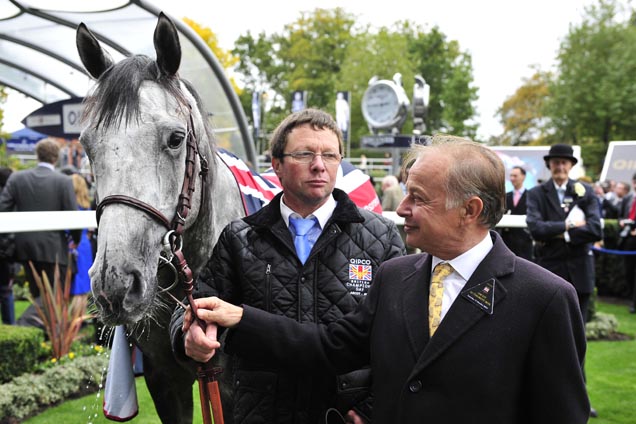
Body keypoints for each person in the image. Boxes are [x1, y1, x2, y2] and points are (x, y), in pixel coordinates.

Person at [183, 136, 590, 423]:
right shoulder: (396, 277)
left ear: (470, 209)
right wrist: (241, 317)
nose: (403, 208)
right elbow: (328, 347)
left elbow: (560, 414)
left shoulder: (544, 298)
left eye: (419, 198)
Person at [170, 108, 406, 423]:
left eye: (330, 155)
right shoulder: (241, 238)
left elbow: (402, 337)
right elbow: (195, 304)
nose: (319, 165)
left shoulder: (381, 236)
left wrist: (370, 410)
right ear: (277, 165)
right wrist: (187, 336)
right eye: (305, 154)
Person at [0, 138, 81, 299]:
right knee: (55, 298)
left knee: (37, 295)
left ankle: (37, 323)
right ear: (56, 157)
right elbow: (73, 216)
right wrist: (75, 240)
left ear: (37, 155)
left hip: (25, 246)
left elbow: (3, 208)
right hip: (55, 247)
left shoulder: (17, 178)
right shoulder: (63, 181)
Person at [499, 166, 533, 260]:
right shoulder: (505, 196)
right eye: (511, 176)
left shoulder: (531, 196)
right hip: (507, 243)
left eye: (515, 176)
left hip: (524, 243)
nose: (512, 178)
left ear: (523, 177)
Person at [70, 173, 93, 298]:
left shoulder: (72, 207)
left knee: (75, 285)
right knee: (83, 286)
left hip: (73, 244)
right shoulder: (86, 205)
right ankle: (80, 315)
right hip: (85, 244)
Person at [618, 172, 636, 313]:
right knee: (628, 271)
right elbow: (620, 216)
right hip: (628, 240)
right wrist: (622, 223)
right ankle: (631, 297)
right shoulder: (628, 198)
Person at [0, 166, 16, 324]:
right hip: (5, 253)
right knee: (6, 291)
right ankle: (10, 325)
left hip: (5, 251)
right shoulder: (9, 199)